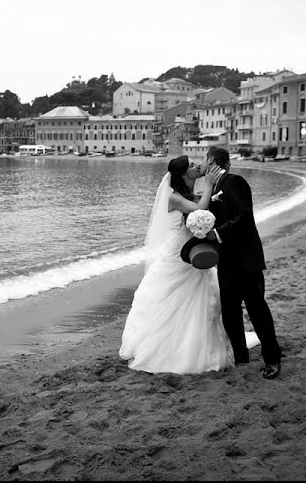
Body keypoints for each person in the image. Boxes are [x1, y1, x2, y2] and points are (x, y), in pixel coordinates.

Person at [119, 155, 258, 374]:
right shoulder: (174, 198)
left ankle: (203, 343)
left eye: (196, 164)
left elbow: (208, 205)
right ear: (183, 174)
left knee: (203, 295)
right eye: (191, 166)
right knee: (171, 295)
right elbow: (200, 210)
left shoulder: (192, 194)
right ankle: (171, 346)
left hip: (195, 251)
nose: (196, 167)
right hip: (178, 253)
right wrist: (211, 184)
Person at [180, 146, 282, 379]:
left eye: (203, 159)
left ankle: (273, 358)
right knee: (230, 310)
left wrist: (215, 234)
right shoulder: (213, 188)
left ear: (212, 160)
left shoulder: (235, 182)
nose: (201, 163)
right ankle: (240, 354)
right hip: (226, 260)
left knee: (256, 308)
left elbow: (244, 217)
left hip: (246, 258)